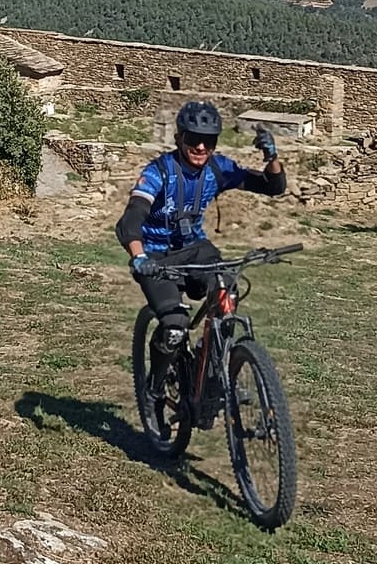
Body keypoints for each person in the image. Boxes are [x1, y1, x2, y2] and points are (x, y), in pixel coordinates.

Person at [116, 99, 286, 399]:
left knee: (227, 293)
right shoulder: (159, 173)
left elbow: (273, 187)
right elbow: (131, 220)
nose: (201, 147)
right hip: (156, 255)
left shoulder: (218, 170)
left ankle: (218, 366)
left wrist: (271, 156)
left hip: (195, 249)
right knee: (174, 325)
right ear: (179, 138)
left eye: (209, 141)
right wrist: (139, 256)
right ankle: (155, 385)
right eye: (194, 139)